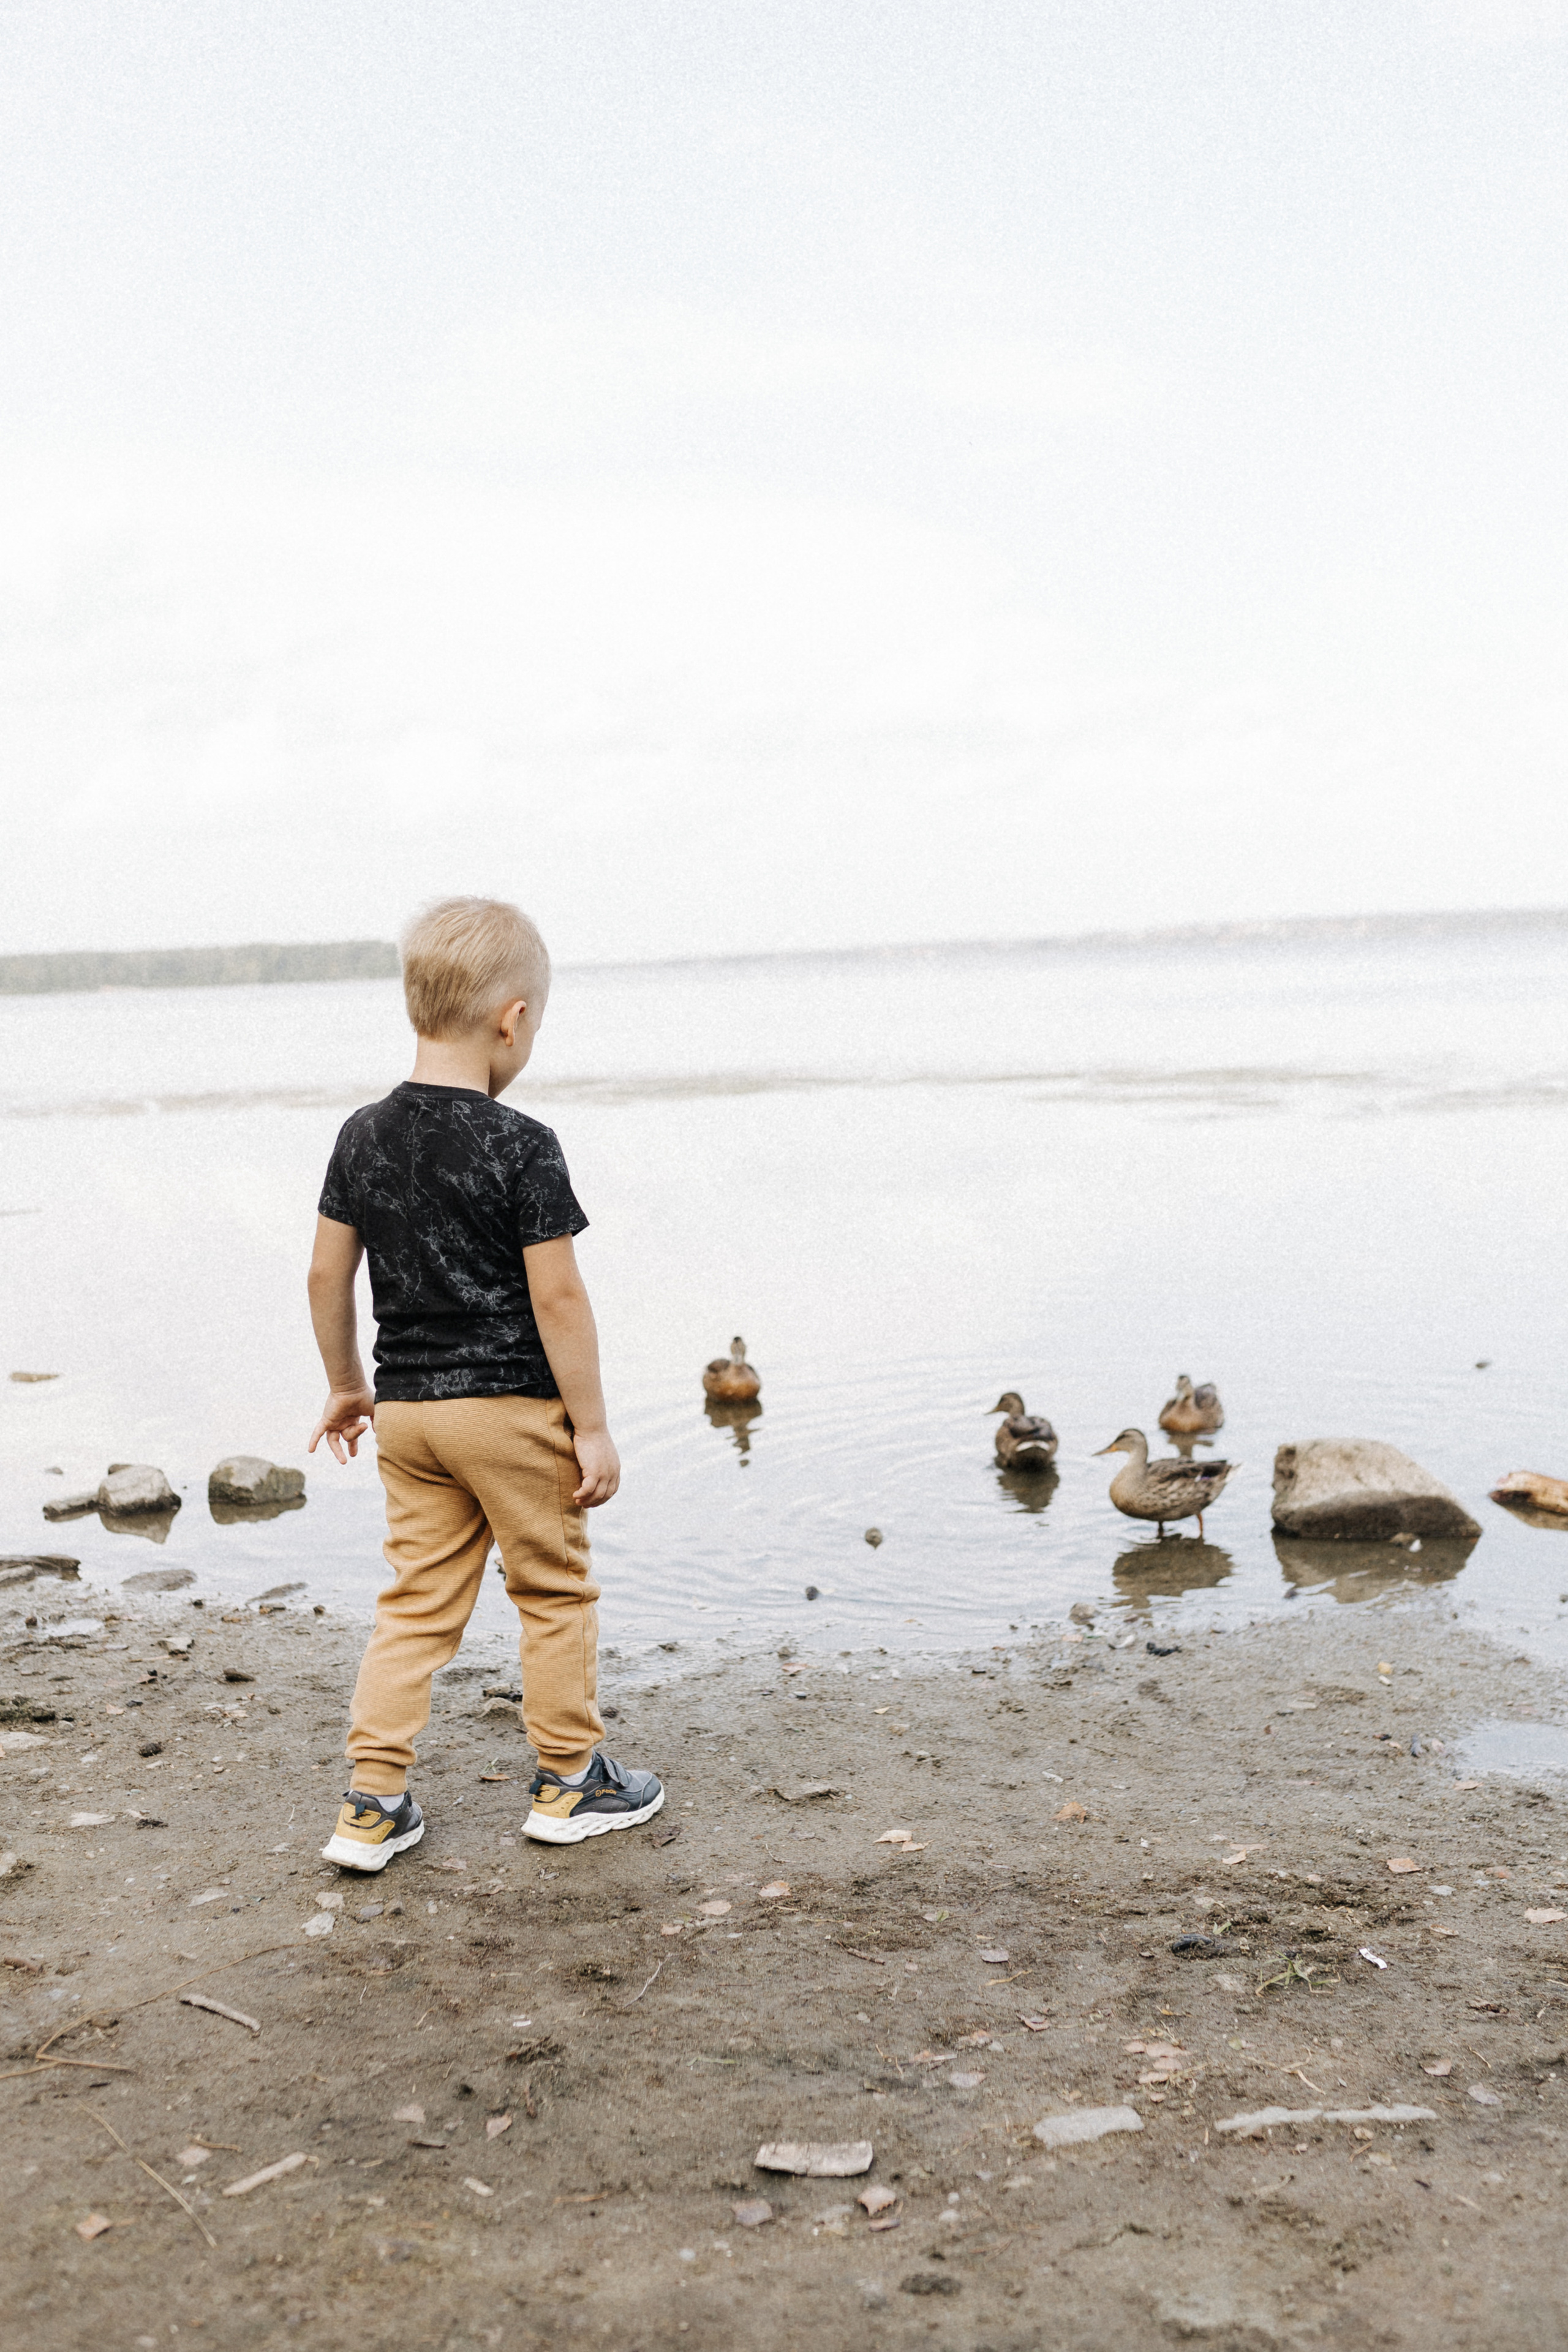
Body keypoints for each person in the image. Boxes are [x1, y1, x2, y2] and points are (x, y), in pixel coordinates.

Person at [305, 894, 663, 1870]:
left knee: (416, 1605)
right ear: (513, 1018)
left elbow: (327, 1274)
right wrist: (590, 1427)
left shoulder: (361, 1136)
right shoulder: (522, 1143)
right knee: (552, 1591)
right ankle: (569, 1781)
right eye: (533, 1025)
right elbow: (559, 1301)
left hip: (410, 1416)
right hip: (510, 1412)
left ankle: (372, 1804)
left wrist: (345, 1383)